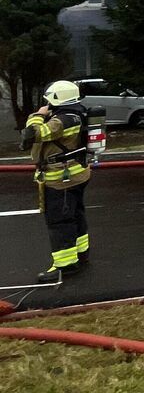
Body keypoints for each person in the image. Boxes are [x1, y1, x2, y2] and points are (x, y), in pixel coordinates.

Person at [19, 80, 92, 283]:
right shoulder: (77, 113)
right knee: (76, 214)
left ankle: (66, 265)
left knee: (60, 222)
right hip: (76, 174)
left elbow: (32, 134)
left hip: (61, 179)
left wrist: (38, 115)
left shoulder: (62, 121)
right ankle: (81, 253)